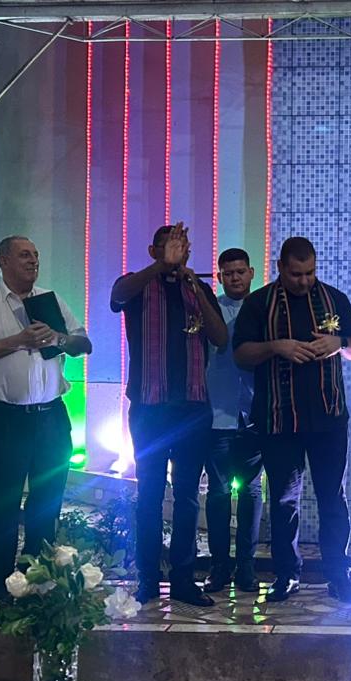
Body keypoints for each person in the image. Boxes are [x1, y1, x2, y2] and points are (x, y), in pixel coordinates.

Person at [233, 236, 351, 604]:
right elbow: (240, 353)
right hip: (279, 418)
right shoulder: (260, 303)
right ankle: (286, 574)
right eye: (296, 274)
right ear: (280, 267)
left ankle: (338, 576)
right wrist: (277, 347)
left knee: (332, 499)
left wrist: (338, 343)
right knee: (283, 501)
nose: (304, 280)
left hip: (328, 419)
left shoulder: (333, 298)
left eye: (310, 273)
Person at [0, 235, 92, 599]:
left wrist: (58, 338)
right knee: (1, 501)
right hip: (5, 420)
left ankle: (38, 572)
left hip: (50, 417)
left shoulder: (51, 300)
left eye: (35, 255)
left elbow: (83, 344)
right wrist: (18, 340)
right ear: (3, 261)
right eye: (24, 255)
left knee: (47, 499)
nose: (33, 261)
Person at [111, 223, 228, 607]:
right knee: (149, 495)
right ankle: (147, 578)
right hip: (150, 409)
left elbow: (220, 338)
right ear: (153, 250)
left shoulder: (199, 289)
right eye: (169, 246)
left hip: (192, 410)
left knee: (188, 498)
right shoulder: (137, 284)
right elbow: (117, 296)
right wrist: (162, 267)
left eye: (184, 246)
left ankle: (182, 580)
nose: (179, 252)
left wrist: (194, 285)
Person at [202, 248, 264, 594]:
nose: (235, 277)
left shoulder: (264, 307)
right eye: (228, 273)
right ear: (220, 276)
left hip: (254, 414)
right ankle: (218, 565)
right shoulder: (211, 309)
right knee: (218, 491)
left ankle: (247, 566)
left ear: (251, 272)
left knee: (252, 491)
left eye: (241, 271)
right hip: (219, 413)